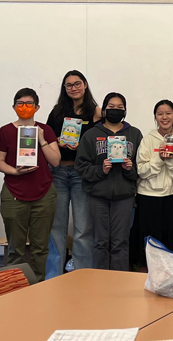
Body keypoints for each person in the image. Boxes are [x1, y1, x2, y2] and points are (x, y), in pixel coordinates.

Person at [0, 88, 61, 282]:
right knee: (16, 248)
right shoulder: (6, 131)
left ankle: (38, 286)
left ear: (37, 107)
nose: (24, 108)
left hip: (44, 193)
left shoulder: (45, 130)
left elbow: (56, 161)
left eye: (29, 104)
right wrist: (15, 171)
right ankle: (14, 287)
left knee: (40, 248)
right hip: (14, 193)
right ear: (14, 107)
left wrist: (41, 141)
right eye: (20, 104)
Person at [75, 93, 143, 271]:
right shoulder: (91, 135)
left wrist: (130, 169)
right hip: (98, 195)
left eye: (119, 107)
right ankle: (100, 280)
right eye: (111, 107)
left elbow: (142, 167)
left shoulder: (134, 134)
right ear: (104, 110)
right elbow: (81, 166)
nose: (115, 110)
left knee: (121, 241)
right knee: (100, 241)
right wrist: (100, 170)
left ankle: (120, 281)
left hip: (124, 196)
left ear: (125, 111)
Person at [45, 70, 102, 279]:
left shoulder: (96, 112)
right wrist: (57, 143)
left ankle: (82, 276)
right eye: (69, 85)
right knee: (56, 228)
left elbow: (101, 142)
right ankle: (53, 276)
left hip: (81, 174)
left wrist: (84, 145)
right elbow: (47, 139)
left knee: (83, 229)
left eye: (77, 84)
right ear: (64, 88)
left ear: (85, 85)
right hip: (58, 172)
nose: (73, 88)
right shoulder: (57, 111)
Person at [133, 100, 173, 266]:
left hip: (172, 195)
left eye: (168, 113)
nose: (164, 117)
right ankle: (147, 273)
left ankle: (171, 274)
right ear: (155, 117)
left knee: (171, 236)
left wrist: (171, 161)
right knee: (149, 237)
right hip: (148, 196)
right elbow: (141, 170)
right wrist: (159, 159)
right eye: (160, 114)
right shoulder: (148, 140)